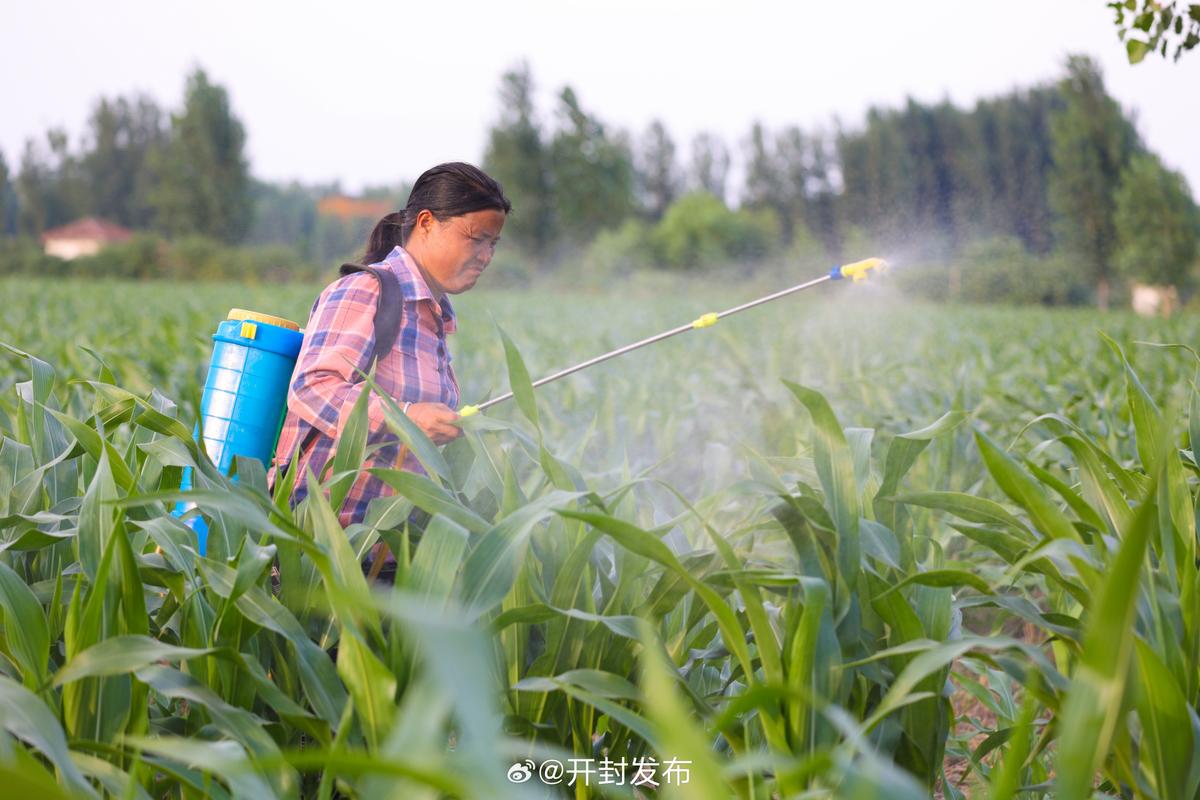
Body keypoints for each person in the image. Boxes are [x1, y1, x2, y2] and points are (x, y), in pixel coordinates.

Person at [268, 162, 510, 537]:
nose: (486, 255)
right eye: (476, 238)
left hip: (384, 549)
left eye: (492, 243)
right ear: (426, 223)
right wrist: (408, 418)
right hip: (318, 545)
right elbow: (312, 389)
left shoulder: (434, 319)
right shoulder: (366, 292)